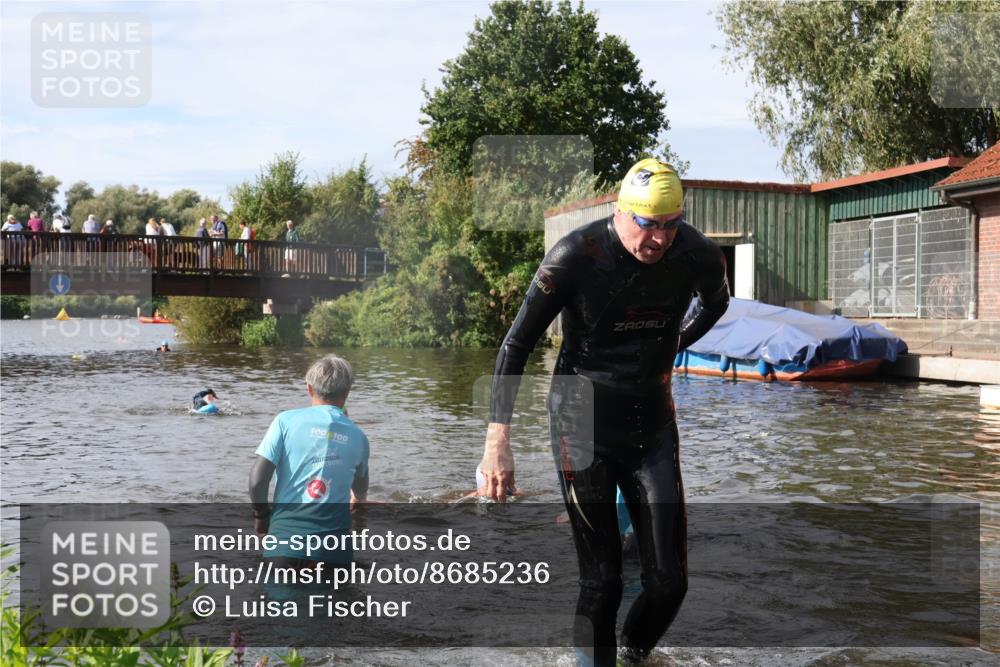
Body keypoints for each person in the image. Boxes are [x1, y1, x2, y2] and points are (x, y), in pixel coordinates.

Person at [480, 159, 730, 666]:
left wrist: (677, 342)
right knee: (604, 579)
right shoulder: (577, 255)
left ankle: (632, 656)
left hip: (652, 420)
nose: (658, 239)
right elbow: (516, 344)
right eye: (646, 224)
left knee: (669, 583)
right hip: (580, 416)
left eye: (669, 224)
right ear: (620, 212)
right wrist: (496, 441)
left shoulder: (696, 253)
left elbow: (717, 303)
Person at [249, 354, 370, 569]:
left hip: (284, 547)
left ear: (309, 389)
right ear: (348, 392)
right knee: (339, 603)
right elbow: (360, 492)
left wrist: (261, 516)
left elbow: (258, 479)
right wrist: (357, 500)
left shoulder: (284, 421)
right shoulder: (359, 437)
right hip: (334, 554)